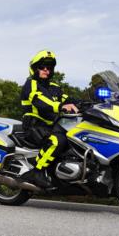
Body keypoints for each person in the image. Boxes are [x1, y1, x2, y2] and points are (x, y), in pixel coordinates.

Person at [19, 50, 78, 189]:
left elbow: (67, 99)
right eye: (42, 67)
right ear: (35, 68)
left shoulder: (54, 87)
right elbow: (39, 100)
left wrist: (91, 103)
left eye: (49, 67)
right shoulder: (31, 84)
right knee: (57, 141)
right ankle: (37, 172)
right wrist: (61, 106)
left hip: (51, 125)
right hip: (34, 125)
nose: (46, 70)